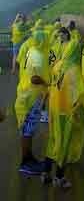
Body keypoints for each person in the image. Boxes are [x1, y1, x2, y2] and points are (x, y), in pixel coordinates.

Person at [43, 28, 84, 188]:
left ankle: (45, 173)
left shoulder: (57, 65)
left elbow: (51, 86)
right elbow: (80, 95)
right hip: (65, 112)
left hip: (54, 109)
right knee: (64, 144)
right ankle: (59, 177)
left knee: (52, 141)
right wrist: (77, 112)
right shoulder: (74, 70)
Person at [15, 29, 50, 175]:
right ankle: (25, 163)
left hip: (25, 94)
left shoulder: (31, 50)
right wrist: (47, 84)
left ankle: (29, 158)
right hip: (30, 98)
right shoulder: (38, 56)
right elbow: (34, 78)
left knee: (28, 131)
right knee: (27, 132)